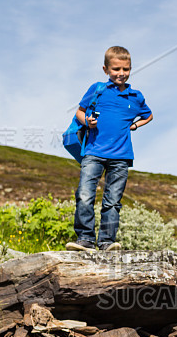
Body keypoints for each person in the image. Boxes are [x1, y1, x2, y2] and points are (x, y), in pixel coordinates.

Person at [66, 46, 153, 252]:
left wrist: (134, 125)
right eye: (116, 69)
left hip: (121, 157)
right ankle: (85, 239)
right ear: (106, 69)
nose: (121, 74)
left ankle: (106, 242)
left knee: (113, 202)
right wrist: (87, 122)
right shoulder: (97, 90)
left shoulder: (136, 96)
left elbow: (149, 115)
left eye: (126, 69)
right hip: (93, 153)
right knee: (85, 195)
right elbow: (79, 112)